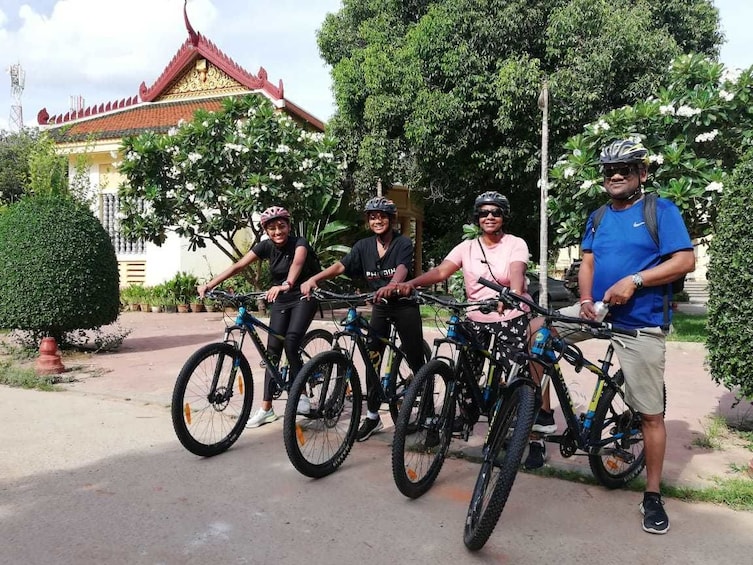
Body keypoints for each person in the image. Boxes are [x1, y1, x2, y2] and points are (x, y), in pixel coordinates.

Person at [556, 139, 695, 534]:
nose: (615, 175)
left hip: (641, 323)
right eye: (609, 171)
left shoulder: (660, 210)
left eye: (625, 169)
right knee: (538, 331)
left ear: (641, 174)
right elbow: (587, 262)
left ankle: (652, 495)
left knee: (650, 414)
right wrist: (584, 298)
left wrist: (635, 280)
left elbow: (684, 260)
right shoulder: (598, 215)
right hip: (596, 312)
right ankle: (541, 418)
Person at [376, 191, 553, 436]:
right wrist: (410, 284)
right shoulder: (467, 247)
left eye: (496, 212)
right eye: (483, 213)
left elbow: (517, 273)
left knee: (516, 376)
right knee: (466, 373)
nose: (489, 217)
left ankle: (530, 434)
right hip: (476, 317)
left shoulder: (515, 243)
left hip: (509, 316)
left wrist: (511, 294)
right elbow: (440, 272)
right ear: (477, 218)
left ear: (504, 216)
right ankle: (467, 415)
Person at [300, 196, 425, 441]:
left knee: (415, 359)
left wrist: (392, 285)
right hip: (380, 307)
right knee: (372, 358)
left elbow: (402, 268)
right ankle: (372, 416)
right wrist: (316, 278)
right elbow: (341, 266)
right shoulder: (363, 246)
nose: (377, 220)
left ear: (391, 219)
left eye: (382, 216)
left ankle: (429, 414)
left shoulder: (402, 243)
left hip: (404, 306)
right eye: (372, 217)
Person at [197, 206, 322, 428]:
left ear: (288, 226)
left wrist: (286, 284)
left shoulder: (299, 243)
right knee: (272, 351)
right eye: (272, 228)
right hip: (281, 299)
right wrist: (211, 283)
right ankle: (266, 409)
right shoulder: (265, 246)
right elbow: (239, 265)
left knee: (291, 343)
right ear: (266, 230)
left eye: (281, 226)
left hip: (304, 296)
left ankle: (301, 394)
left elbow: (298, 263)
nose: (277, 232)